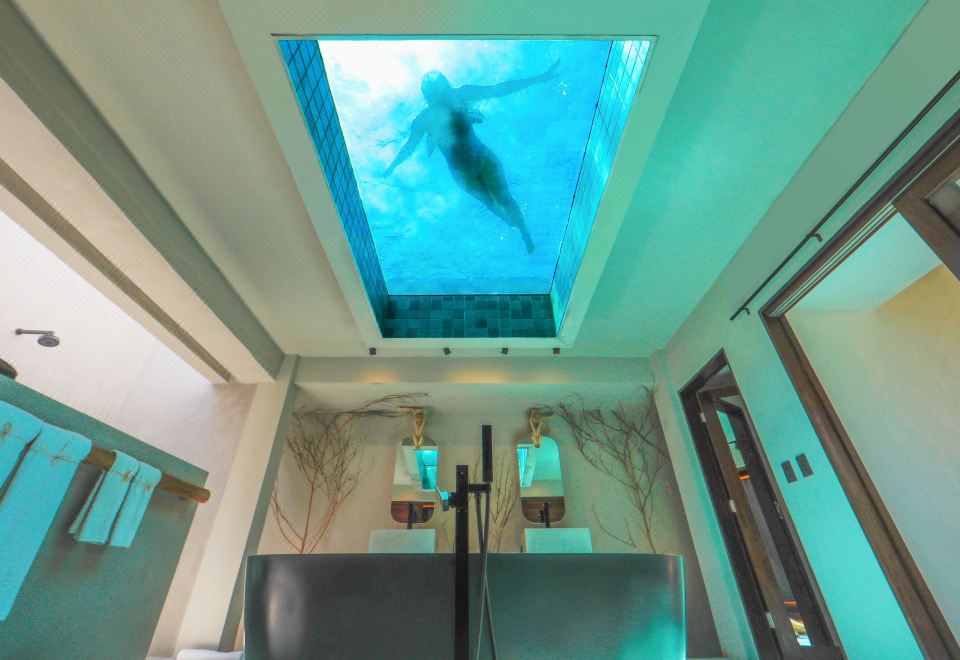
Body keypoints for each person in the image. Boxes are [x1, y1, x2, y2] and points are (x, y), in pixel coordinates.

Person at [382, 61, 559, 253]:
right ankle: (512, 223)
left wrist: (538, 78)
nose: (441, 96)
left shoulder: (459, 96)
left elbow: (499, 89)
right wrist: (392, 166)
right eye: (436, 93)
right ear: (429, 96)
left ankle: (525, 233)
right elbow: (408, 148)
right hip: (464, 174)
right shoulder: (424, 120)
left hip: (482, 161)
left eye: (441, 91)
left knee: (504, 199)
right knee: (492, 202)